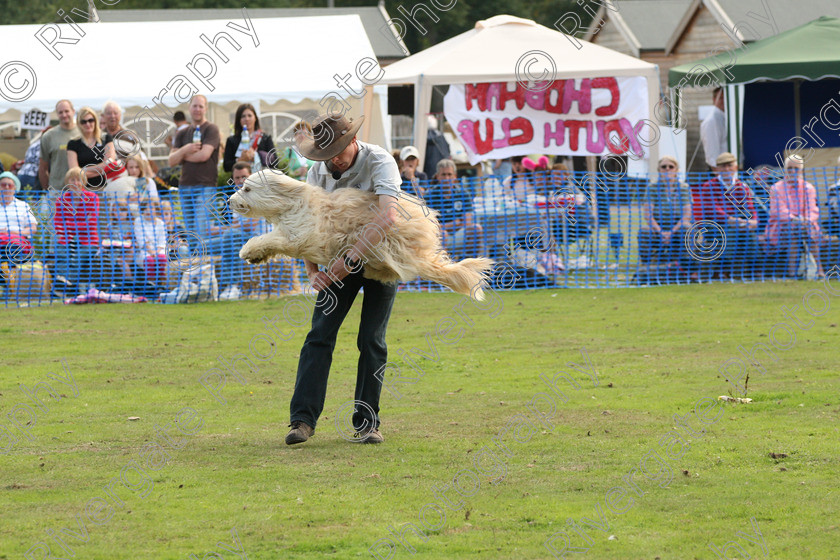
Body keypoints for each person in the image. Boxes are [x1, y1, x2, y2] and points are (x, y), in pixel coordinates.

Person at [285, 112, 402, 446]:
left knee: (371, 340)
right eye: (325, 153)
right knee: (319, 335)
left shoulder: (379, 161)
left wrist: (350, 260)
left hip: (381, 256)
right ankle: (302, 421)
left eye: (338, 150)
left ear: (353, 141)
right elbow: (308, 220)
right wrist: (312, 269)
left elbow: (388, 215)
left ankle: (368, 423)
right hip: (336, 260)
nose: (333, 159)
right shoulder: (317, 171)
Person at [206, 161, 267, 299]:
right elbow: (235, 224)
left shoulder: (258, 196)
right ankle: (202, 287)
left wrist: (221, 229)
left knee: (229, 235)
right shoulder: (236, 197)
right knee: (203, 245)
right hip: (237, 237)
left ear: (251, 176)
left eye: (244, 177)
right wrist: (219, 229)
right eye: (237, 178)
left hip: (257, 238)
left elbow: (251, 226)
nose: (240, 181)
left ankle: (233, 285)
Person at [692, 152, 758, 277]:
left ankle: (754, 269)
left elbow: (749, 207)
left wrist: (753, 220)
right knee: (731, 231)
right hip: (713, 225)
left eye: (729, 165)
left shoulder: (742, 186)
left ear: (735, 167)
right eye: (723, 166)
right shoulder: (709, 186)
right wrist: (731, 220)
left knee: (750, 234)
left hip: (737, 224)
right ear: (717, 169)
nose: (726, 169)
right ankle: (725, 269)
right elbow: (712, 209)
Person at [762, 155, 825, 278]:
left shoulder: (809, 188)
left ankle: (818, 270)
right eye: (789, 168)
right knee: (794, 229)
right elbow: (778, 212)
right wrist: (795, 219)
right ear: (785, 170)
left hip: (806, 226)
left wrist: (805, 220)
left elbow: (812, 210)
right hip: (780, 228)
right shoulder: (776, 188)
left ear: (801, 170)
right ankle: (795, 272)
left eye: (796, 168)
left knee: (804, 228)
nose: (793, 171)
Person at [168, 94, 220, 240]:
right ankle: (194, 261)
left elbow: (204, 155)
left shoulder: (211, 129)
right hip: (185, 187)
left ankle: (203, 260)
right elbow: (171, 161)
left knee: (200, 228)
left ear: (206, 109)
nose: (197, 109)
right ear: (189, 108)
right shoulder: (182, 133)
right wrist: (186, 149)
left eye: (201, 106)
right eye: (194, 106)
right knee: (190, 232)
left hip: (206, 186)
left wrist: (181, 156)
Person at [424, 159, 485, 259]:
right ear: (438, 176)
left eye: (449, 174)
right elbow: (430, 226)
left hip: (459, 234)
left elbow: (467, 223)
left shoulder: (464, 194)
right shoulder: (429, 195)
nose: (447, 178)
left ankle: (467, 263)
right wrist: (455, 223)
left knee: (476, 229)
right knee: (442, 234)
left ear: (455, 176)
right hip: (439, 237)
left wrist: (445, 225)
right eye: (443, 175)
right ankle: (444, 268)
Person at [637, 156, 692, 265]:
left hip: (678, 227)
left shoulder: (684, 188)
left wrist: (672, 232)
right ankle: (648, 265)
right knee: (644, 231)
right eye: (663, 167)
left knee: (687, 228)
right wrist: (661, 232)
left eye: (671, 167)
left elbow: (687, 214)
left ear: (676, 170)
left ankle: (686, 266)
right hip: (657, 227)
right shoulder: (651, 188)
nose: (667, 169)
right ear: (659, 170)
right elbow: (648, 215)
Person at [54, 167, 100, 294]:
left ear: (84, 181)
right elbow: (57, 223)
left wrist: (68, 224)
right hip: (66, 239)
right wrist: (81, 224)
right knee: (62, 254)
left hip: (88, 240)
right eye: (72, 180)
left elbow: (91, 224)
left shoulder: (93, 198)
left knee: (78, 256)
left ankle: (65, 283)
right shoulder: (61, 200)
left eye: (79, 180)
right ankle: (65, 283)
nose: (75, 183)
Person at [66, 107, 117, 191]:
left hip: (106, 189)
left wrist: (83, 170)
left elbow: (110, 165)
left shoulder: (106, 138)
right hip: (82, 191)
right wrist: (101, 170)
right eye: (83, 122)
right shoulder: (73, 144)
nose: (88, 124)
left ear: (95, 121)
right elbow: (74, 173)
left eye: (90, 120)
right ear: (79, 124)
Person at [0, 172, 38, 285]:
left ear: (15, 188)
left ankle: (6, 284)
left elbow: (32, 228)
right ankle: (6, 283)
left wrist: (14, 232)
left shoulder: (23, 205)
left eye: (10, 185)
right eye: (3, 184)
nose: (6, 187)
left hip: (17, 243)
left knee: (11, 249)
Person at [39, 99, 80, 196]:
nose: (64, 115)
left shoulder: (83, 132)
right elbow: (42, 167)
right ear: (57, 114)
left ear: (73, 111)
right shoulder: (48, 136)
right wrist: (48, 189)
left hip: (80, 189)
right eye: (60, 112)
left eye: (67, 111)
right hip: (57, 191)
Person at [223, 103, 277, 173]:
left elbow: (275, 163)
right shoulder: (232, 140)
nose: (247, 119)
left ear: (255, 118)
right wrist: (240, 160)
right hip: (240, 180)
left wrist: (257, 156)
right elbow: (226, 166)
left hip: (261, 179)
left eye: (249, 115)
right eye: (243, 116)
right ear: (239, 120)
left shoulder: (265, 138)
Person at [133, 198, 168, 287]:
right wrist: (152, 253)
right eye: (145, 208)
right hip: (145, 251)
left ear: (156, 210)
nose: (148, 211)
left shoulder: (161, 223)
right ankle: (152, 284)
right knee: (149, 260)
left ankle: (163, 283)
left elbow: (162, 240)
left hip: (159, 250)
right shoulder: (138, 221)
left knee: (162, 259)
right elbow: (142, 240)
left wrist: (157, 252)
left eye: (151, 208)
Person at [700, 87, 727, 170]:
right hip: (720, 172)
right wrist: (718, 176)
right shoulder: (712, 121)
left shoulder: (726, 117)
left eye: (725, 97)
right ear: (714, 99)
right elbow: (712, 155)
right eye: (720, 98)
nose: (723, 101)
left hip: (729, 171)